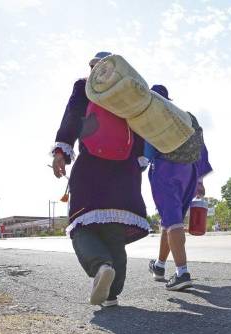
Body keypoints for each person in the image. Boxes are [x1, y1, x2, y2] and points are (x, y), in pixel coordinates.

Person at [51, 51, 150, 308]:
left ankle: (100, 266)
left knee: (81, 227)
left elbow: (73, 115)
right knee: (114, 234)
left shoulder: (85, 87)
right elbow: (141, 128)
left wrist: (61, 151)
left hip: (92, 169)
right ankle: (112, 294)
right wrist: (137, 161)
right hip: (125, 171)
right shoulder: (130, 92)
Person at [144, 84, 212, 291]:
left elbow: (146, 153)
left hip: (166, 171)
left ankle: (182, 272)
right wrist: (199, 180)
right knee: (170, 220)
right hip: (189, 172)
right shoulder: (185, 117)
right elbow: (201, 147)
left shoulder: (151, 117)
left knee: (172, 221)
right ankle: (160, 266)